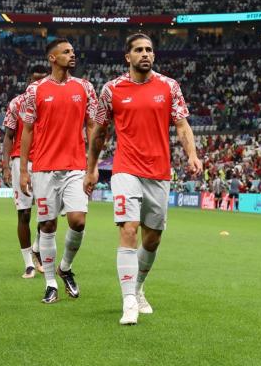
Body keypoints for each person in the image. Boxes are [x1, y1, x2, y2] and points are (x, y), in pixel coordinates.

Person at [86, 33, 202, 325]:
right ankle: (128, 301)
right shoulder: (111, 90)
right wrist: (91, 167)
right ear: (128, 57)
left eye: (149, 49)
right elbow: (100, 133)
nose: (145, 54)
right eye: (139, 50)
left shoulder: (169, 86)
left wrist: (192, 154)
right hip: (126, 169)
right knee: (129, 228)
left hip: (159, 171)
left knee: (152, 238)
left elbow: (182, 125)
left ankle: (137, 288)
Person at [19, 39, 99, 304]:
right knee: (48, 225)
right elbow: (27, 130)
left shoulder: (85, 87)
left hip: (76, 166)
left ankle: (65, 267)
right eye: (66, 52)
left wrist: (93, 166)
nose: (72, 54)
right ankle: (51, 283)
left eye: (73, 51)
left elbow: (92, 127)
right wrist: (23, 170)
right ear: (52, 58)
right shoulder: (35, 90)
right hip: (43, 168)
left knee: (78, 220)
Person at [2, 64, 49, 278]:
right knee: (24, 213)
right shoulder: (17, 103)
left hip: (46, 160)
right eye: (34, 79)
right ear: (29, 81)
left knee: (48, 213)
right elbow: (8, 136)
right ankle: (29, 262)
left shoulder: (53, 100)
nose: (37, 83)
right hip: (20, 161)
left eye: (42, 79)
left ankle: (37, 248)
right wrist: (4, 166)